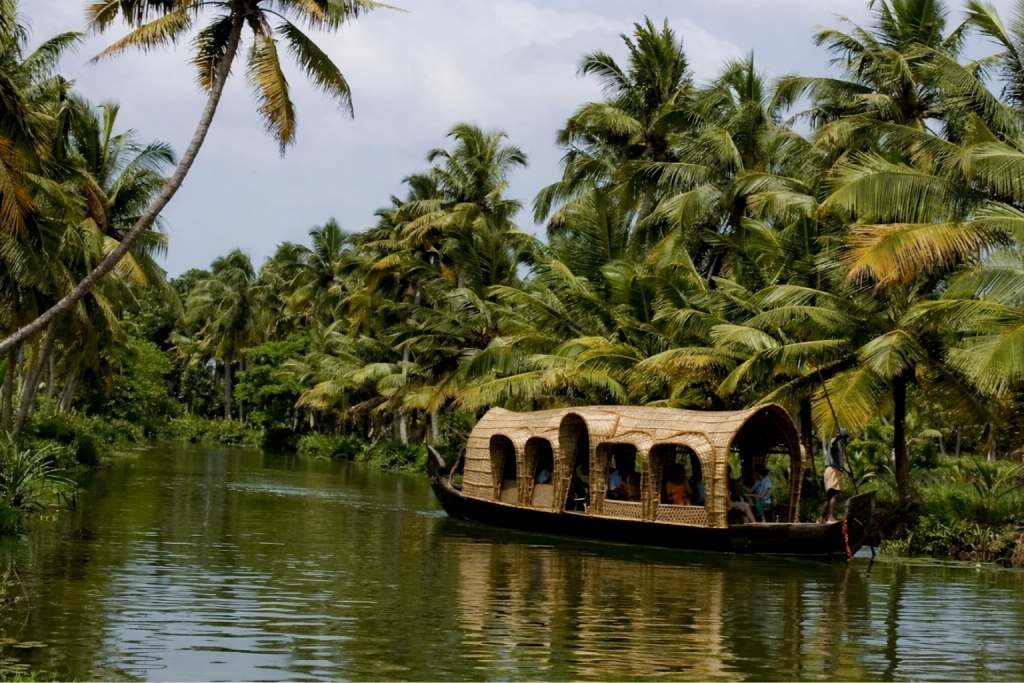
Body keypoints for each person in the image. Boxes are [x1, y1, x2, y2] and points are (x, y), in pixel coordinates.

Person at [819, 428, 849, 523]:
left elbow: (840, 464)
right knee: (834, 494)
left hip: (834, 470)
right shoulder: (835, 442)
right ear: (842, 438)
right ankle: (830, 517)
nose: (846, 441)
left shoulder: (840, 448)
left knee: (830, 496)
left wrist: (848, 472)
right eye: (845, 439)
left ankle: (821, 518)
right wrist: (838, 437)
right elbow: (833, 445)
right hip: (833, 470)